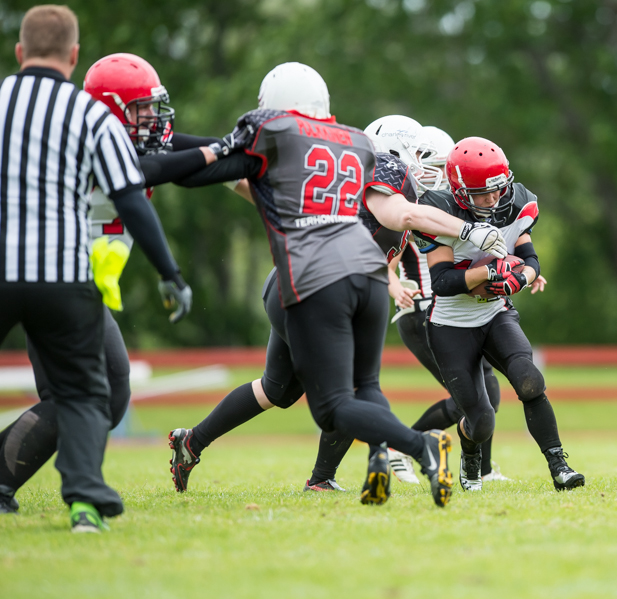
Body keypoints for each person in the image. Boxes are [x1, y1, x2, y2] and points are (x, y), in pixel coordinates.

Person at [165, 68, 509, 507]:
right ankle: (386, 456)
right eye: (425, 159)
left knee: (278, 390)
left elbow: (261, 186)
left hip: (307, 282)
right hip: (318, 285)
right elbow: (396, 218)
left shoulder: (348, 167)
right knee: (348, 390)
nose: (433, 173)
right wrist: (471, 233)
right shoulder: (380, 166)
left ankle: (191, 442)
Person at [0, 51, 241, 518]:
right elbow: (148, 172)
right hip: (50, 279)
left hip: (70, 288)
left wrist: (254, 154)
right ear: (111, 108)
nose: (153, 118)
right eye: (142, 108)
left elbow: (189, 157)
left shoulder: (129, 141)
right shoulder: (90, 141)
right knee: (98, 392)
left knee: (102, 395)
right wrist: (218, 151)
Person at [414, 136, 584, 492]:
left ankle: (559, 466)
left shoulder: (516, 203)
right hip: (451, 325)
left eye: (497, 189)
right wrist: (491, 274)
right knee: (481, 421)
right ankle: (470, 453)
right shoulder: (440, 211)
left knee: (530, 381)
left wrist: (519, 279)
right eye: (481, 193)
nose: (492, 199)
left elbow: (531, 260)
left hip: (495, 314)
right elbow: (443, 282)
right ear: (459, 191)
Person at [388, 125, 548, 484]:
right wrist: (393, 283)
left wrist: (521, 269)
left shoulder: (462, 204)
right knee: (476, 398)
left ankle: (480, 469)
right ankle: (400, 446)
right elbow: (384, 254)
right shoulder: (411, 207)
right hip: (428, 308)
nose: (434, 173)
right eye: (428, 164)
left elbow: (498, 245)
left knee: (483, 396)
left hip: (467, 306)